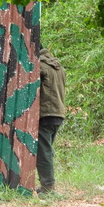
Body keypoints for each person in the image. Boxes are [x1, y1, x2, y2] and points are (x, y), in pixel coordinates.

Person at [36, 47, 66, 194]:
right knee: (46, 151)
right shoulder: (59, 68)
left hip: (46, 113)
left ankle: (48, 187)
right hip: (58, 113)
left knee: (43, 153)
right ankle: (47, 185)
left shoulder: (40, 67)